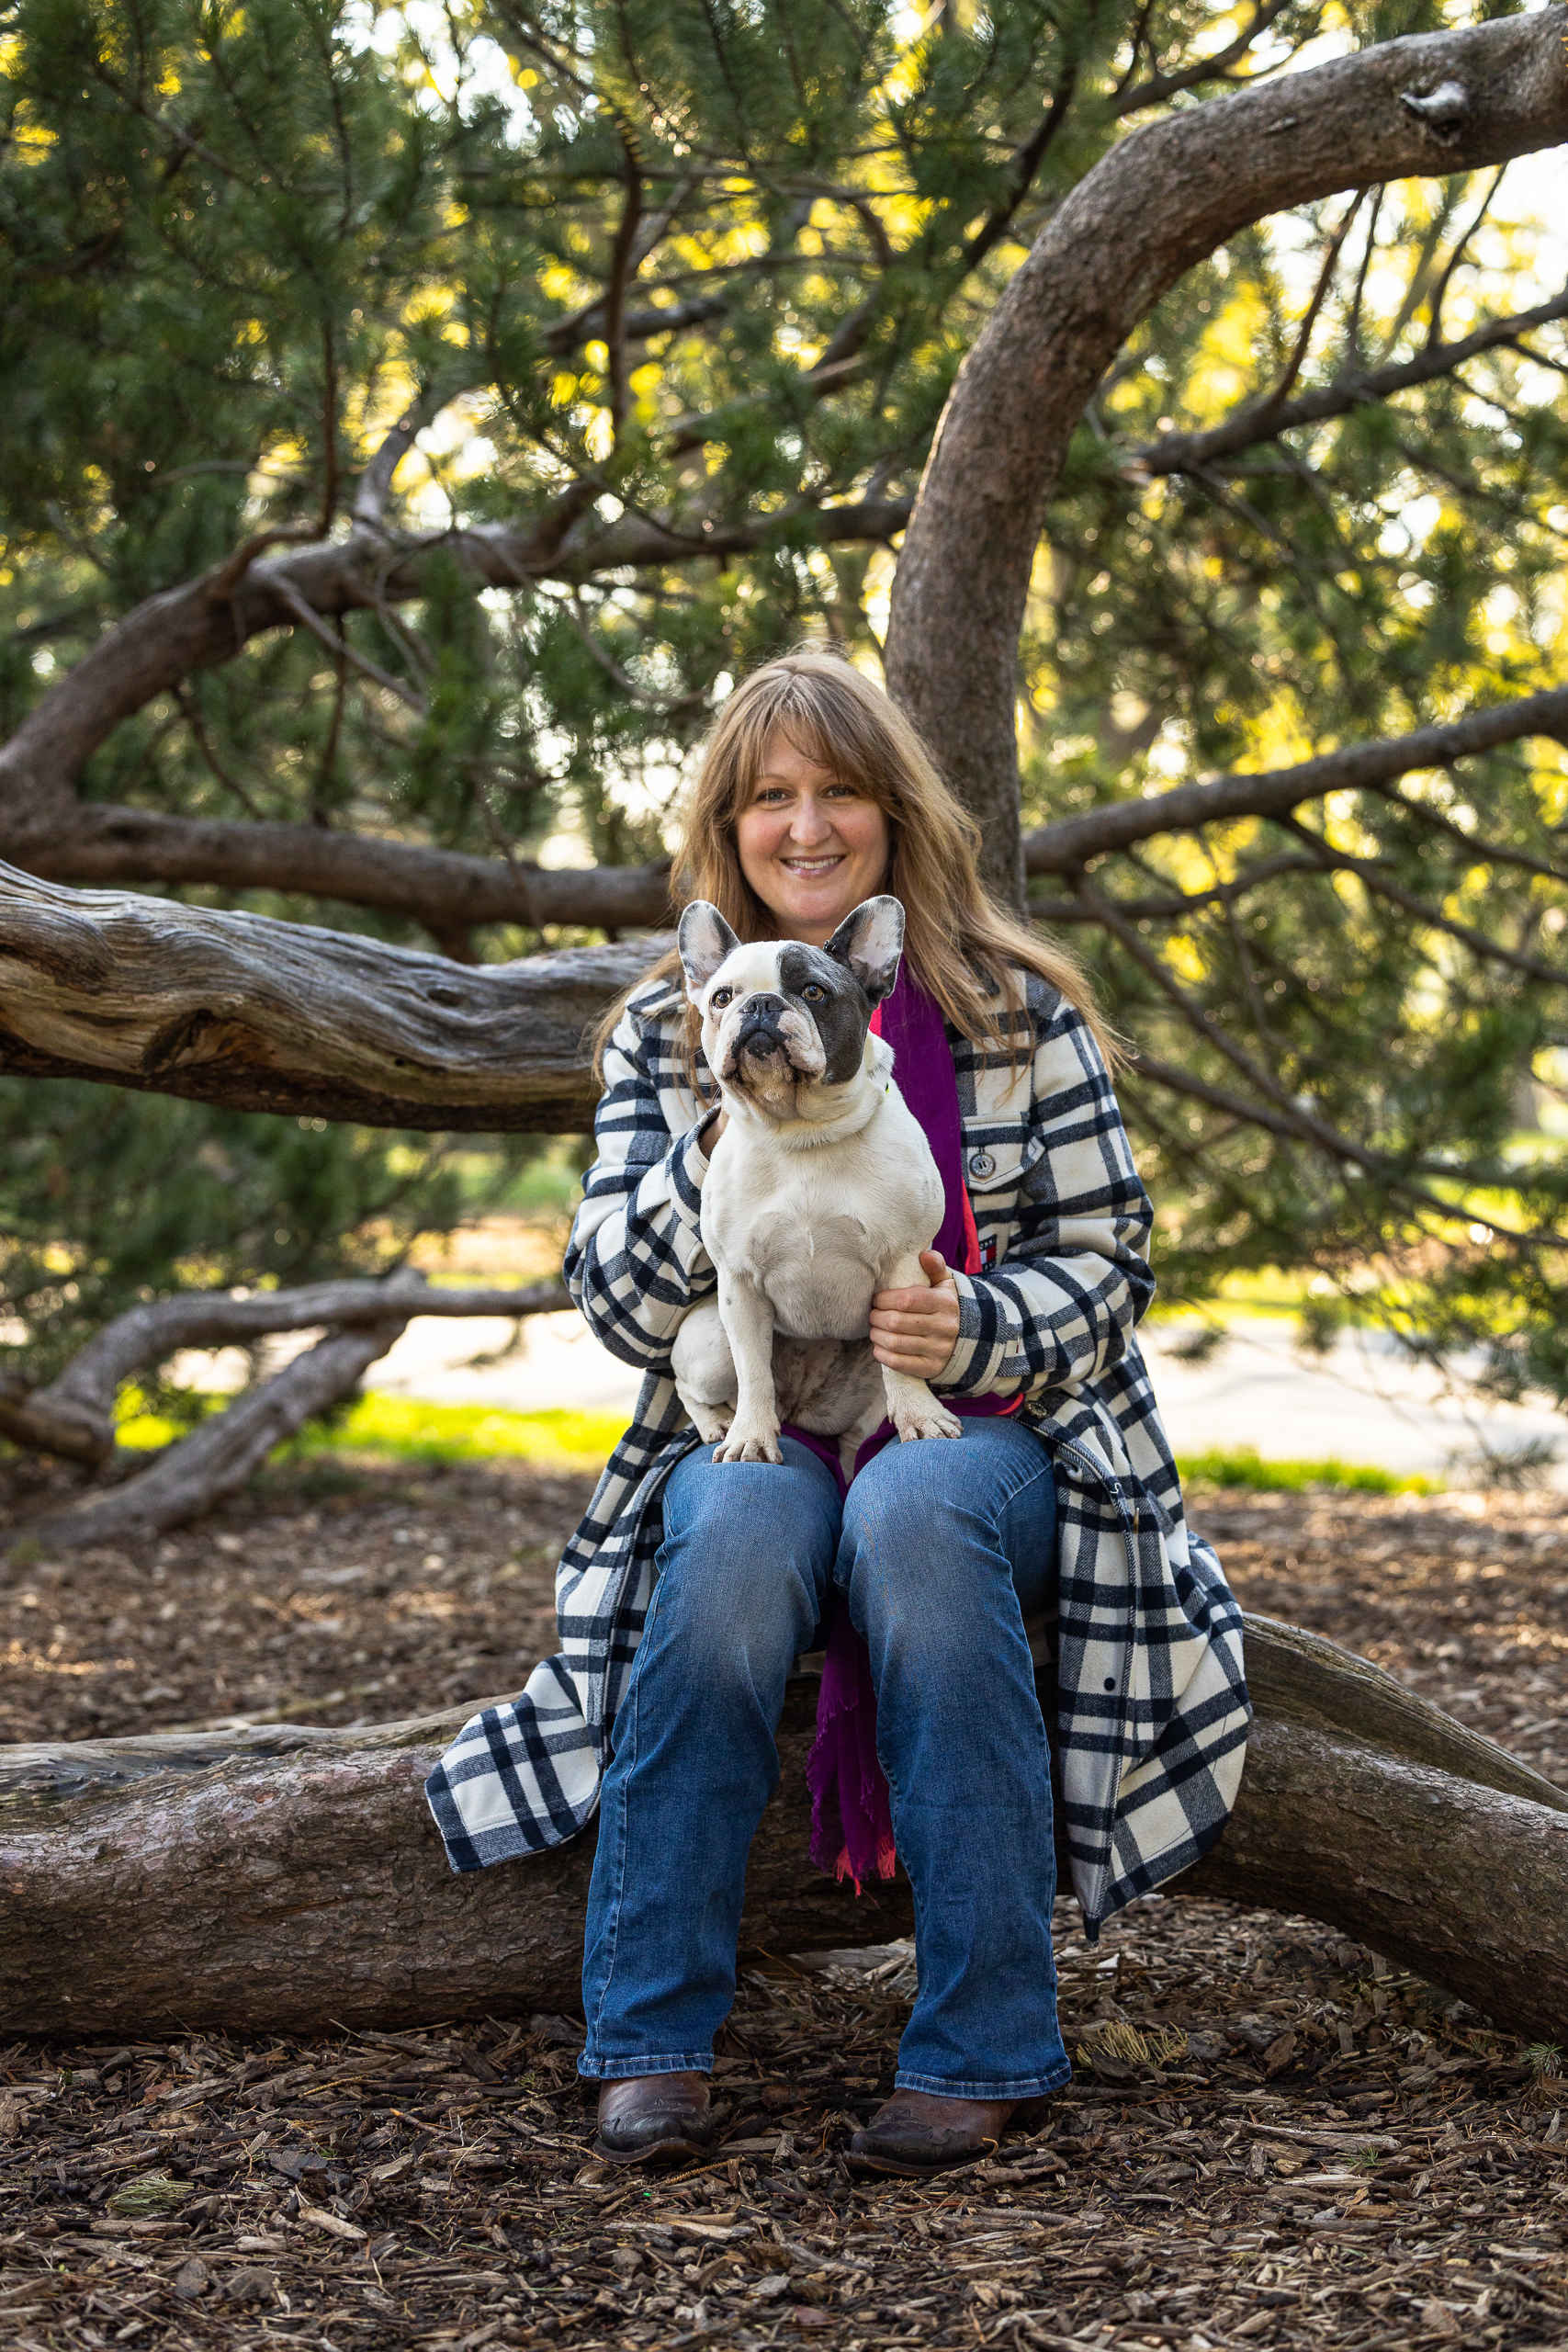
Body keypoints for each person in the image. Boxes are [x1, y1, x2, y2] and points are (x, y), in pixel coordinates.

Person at [426, 650, 1249, 2177]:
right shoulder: (668, 1028)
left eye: (840, 793)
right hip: (751, 1411)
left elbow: (1113, 1257)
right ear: (727, 832)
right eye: (769, 800)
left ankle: (988, 2041)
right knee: (733, 1534)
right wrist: (724, 1115)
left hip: (989, 1425)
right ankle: (653, 2037)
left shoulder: (1017, 1017)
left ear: (895, 817)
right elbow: (613, 1306)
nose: (805, 828)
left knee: (916, 1514)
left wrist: (977, 1320)